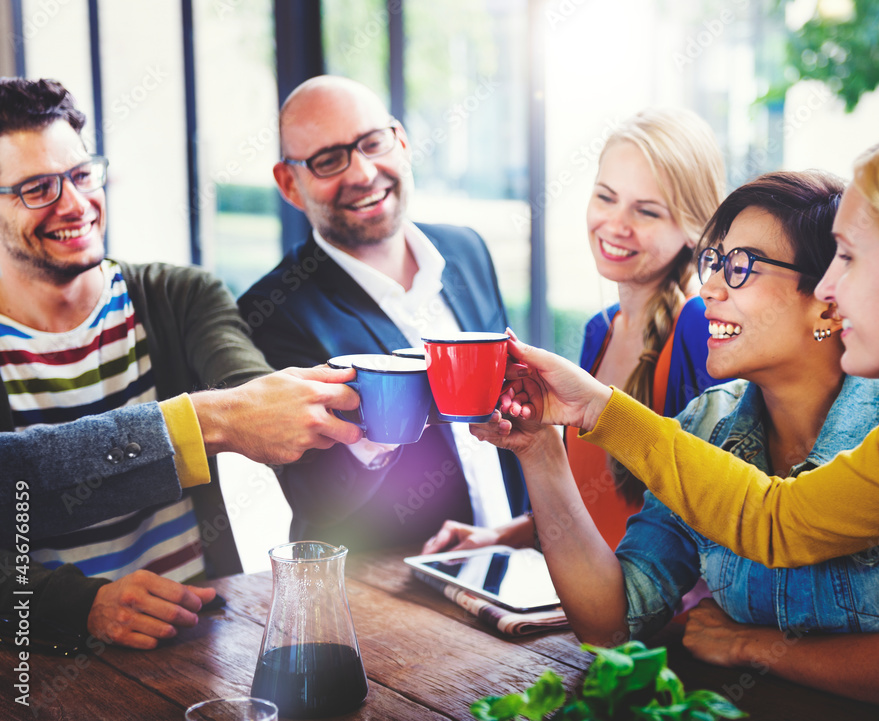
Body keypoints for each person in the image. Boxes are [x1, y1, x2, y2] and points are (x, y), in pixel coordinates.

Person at [492, 112, 879, 718]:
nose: (832, 287)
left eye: (849, 255)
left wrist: (751, 647)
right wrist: (557, 434)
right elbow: (774, 521)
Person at [0, 77, 360, 650]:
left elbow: (246, 384)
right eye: (37, 189)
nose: (74, 204)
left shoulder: (179, 295)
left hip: (198, 638)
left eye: (80, 174)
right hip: (44, 667)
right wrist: (80, 605)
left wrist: (297, 406)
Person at [238, 75, 527, 552]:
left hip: (510, 567)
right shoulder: (271, 312)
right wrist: (380, 431)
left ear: (402, 143)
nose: (363, 173)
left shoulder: (468, 249)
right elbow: (317, 499)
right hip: (386, 599)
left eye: (373, 143)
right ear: (290, 184)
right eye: (329, 159)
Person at [424, 107, 727, 554]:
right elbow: (591, 505)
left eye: (646, 211)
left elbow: (723, 504)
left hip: (658, 615)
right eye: (606, 197)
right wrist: (497, 538)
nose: (616, 225)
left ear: (692, 227)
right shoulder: (599, 331)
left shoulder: (699, 328)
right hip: (591, 601)